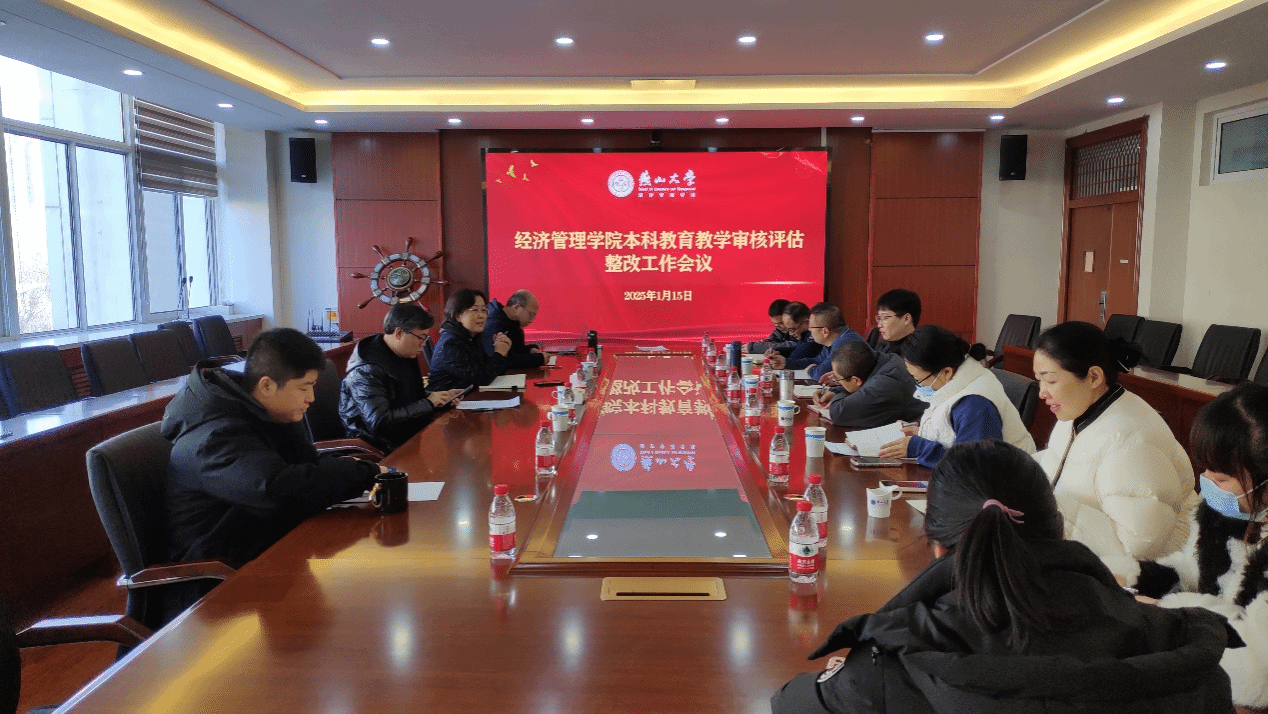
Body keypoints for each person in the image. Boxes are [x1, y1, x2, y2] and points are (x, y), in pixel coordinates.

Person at [771, 440, 1240, 713]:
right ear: (1058, 528)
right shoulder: (1187, 660)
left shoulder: (888, 666)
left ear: (936, 545)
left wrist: (844, 672)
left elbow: (787, 703)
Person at [165, 328, 382, 567]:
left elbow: (305, 465)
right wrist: (362, 474)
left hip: (271, 547)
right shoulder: (214, 437)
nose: (311, 397)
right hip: (224, 573)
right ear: (267, 386)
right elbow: (276, 489)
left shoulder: (270, 413)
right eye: (304, 388)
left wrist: (354, 469)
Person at [1132, 382, 1268, 709]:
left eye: (1221, 479)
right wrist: (1134, 578)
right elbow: (1192, 570)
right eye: (1206, 470)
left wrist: (1170, 616)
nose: (1206, 483)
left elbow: (1257, 673)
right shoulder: (1226, 516)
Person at [1031, 321, 1199, 578]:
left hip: (1150, 576)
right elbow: (1059, 463)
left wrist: (1044, 508)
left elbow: (1134, 547)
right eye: (1039, 381)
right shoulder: (1078, 413)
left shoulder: (1133, 443)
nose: (1042, 393)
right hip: (1088, 563)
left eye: (1051, 381)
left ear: (1094, 377)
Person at [878, 325, 1034, 467]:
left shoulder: (976, 404)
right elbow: (954, 432)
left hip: (1008, 482)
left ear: (946, 372)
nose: (918, 386)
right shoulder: (960, 379)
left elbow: (973, 466)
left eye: (918, 379)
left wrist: (918, 448)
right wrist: (921, 432)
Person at [339, 303, 466, 453]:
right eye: (421, 338)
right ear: (399, 333)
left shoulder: (404, 354)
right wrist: (429, 403)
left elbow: (406, 398)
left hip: (407, 437)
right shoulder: (366, 370)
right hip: (377, 447)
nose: (423, 344)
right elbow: (380, 421)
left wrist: (441, 400)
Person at [811, 340, 926, 428]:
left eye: (838, 379)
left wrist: (839, 396)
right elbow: (860, 391)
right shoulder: (881, 360)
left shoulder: (882, 384)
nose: (837, 382)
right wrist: (835, 392)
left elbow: (838, 413)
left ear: (856, 380)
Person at [428, 288, 511, 390]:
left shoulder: (472, 337)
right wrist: (499, 353)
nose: (481, 316)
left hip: (469, 396)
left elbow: (490, 370)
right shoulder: (451, 343)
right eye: (475, 310)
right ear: (458, 316)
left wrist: (503, 350)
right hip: (450, 399)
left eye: (484, 310)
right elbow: (482, 379)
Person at [769, 303, 865, 383]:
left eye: (811, 327)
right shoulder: (833, 340)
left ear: (825, 331)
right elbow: (817, 361)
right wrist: (786, 363)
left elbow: (820, 373)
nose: (809, 331)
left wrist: (810, 369)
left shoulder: (844, 343)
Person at [483, 289, 546, 368]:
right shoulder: (494, 324)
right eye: (531, 315)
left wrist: (530, 350)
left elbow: (516, 350)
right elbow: (504, 359)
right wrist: (539, 359)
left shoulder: (514, 323)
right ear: (516, 307)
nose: (531, 320)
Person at [870, 288, 920, 355]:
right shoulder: (884, 343)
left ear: (906, 319)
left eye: (885, 317)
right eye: (879, 318)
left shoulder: (915, 354)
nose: (879, 325)